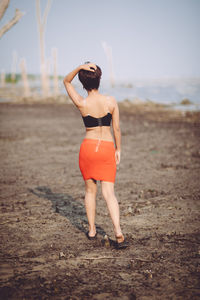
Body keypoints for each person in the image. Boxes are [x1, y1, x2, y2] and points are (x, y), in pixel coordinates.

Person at [63, 62, 127, 249]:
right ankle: (118, 232)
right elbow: (116, 129)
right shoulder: (111, 101)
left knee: (90, 191)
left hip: (88, 149)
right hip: (107, 148)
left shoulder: (82, 102)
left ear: (82, 82)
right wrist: (118, 149)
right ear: (100, 79)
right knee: (109, 193)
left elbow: (66, 81)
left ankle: (92, 230)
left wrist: (79, 67)